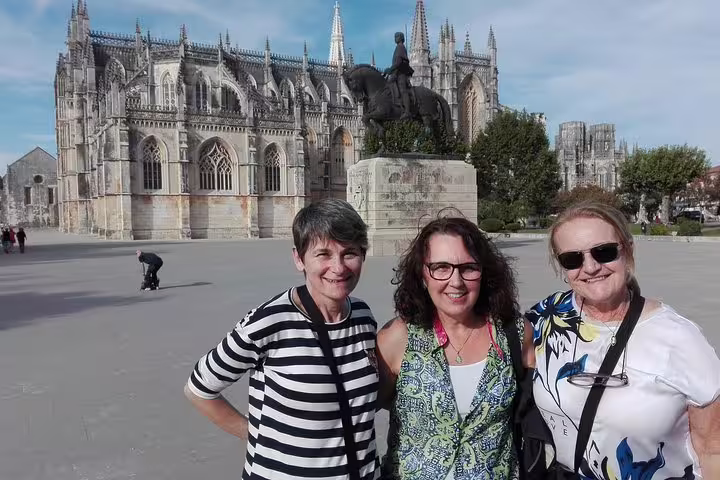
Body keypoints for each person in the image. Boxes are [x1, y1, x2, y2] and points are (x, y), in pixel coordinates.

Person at [184, 199, 380, 480]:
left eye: (349, 253)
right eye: (323, 254)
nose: (338, 267)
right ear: (299, 259)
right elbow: (199, 389)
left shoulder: (363, 316)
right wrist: (255, 435)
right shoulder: (270, 321)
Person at [523, 202, 720, 479]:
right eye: (572, 259)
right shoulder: (549, 315)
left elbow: (712, 448)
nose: (590, 267)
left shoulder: (680, 338)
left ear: (627, 250)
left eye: (604, 252)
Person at [376, 215, 523, 479]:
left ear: (483, 271)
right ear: (423, 274)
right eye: (441, 267)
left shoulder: (514, 335)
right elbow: (366, 408)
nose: (456, 281)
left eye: (468, 267)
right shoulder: (397, 338)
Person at [384, 32, 414, 120]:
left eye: (396, 36)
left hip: (401, 74)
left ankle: (407, 111)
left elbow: (398, 63)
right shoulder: (398, 48)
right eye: (395, 36)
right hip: (396, 73)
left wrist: (390, 69)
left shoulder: (401, 47)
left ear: (401, 38)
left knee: (402, 89)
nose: (395, 38)